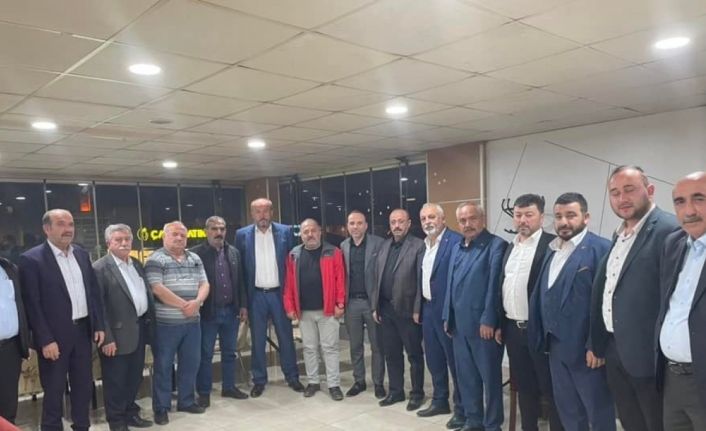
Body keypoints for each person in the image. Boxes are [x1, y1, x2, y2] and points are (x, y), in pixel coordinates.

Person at [589, 166, 678, 431]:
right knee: (630, 421)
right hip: (615, 348)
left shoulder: (669, 230)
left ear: (650, 190)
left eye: (629, 190)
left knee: (655, 423)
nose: (622, 198)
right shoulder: (620, 234)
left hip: (650, 355)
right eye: (615, 193)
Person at [529, 193, 615, 431]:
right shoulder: (552, 250)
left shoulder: (601, 248)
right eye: (558, 216)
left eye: (571, 215)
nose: (563, 222)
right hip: (555, 347)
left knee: (598, 411)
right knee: (568, 410)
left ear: (586, 217)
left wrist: (596, 344)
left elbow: (606, 301)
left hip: (587, 351)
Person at [19, 209, 105, 431]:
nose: (68, 229)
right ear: (47, 229)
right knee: (54, 391)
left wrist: (98, 325)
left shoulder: (81, 255)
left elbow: (92, 293)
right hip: (53, 337)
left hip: (82, 331)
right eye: (61, 224)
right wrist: (45, 339)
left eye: (71, 224)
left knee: (83, 387)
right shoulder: (32, 259)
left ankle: (82, 426)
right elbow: (32, 305)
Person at [497, 194, 562, 431]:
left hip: (540, 330)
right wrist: (500, 324)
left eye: (529, 215)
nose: (522, 220)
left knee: (550, 388)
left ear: (541, 218)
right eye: (518, 215)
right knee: (524, 387)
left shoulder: (553, 245)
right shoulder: (510, 246)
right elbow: (502, 286)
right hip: (513, 329)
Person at [444, 202, 507, 431]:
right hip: (459, 327)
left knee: (490, 380)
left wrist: (489, 319)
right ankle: (474, 420)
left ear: (482, 219)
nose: (467, 224)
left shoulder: (496, 245)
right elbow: (450, 285)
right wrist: (447, 316)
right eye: (462, 220)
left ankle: (492, 424)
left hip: (483, 327)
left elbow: (495, 286)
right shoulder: (457, 247)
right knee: (467, 378)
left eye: (472, 218)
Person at [235, 198, 304, 397]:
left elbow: (292, 264)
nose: (262, 215)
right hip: (256, 295)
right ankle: (259, 380)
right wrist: (243, 303)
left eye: (266, 211)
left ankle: (292, 377)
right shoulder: (242, 235)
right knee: (257, 341)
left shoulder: (285, 231)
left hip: (280, 294)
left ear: (272, 212)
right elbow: (240, 271)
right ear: (252, 214)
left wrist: (293, 297)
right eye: (258, 211)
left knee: (286, 338)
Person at [145, 221, 209, 425]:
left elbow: (205, 284)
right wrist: (185, 305)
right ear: (164, 236)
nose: (179, 238)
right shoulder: (155, 259)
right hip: (166, 324)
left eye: (183, 235)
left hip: (193, 323)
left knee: (190, 363)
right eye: (175, 234)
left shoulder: (195, 258)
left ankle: (186, 401)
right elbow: (157, 288)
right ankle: (161, 408)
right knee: (163, 366)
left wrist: (197, 302)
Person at [656, 171, 706, 430]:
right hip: (672, 377)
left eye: (699, 199)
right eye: (680, 201)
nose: (689, 211)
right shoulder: (674, 243)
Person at [94, 224, 155, 431]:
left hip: (138, 331)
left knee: (134, 378)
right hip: (115, 337)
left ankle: (130, 413)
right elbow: (98, 307)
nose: (124, 243)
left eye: (127, 239)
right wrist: (107, 338)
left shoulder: (136, 264)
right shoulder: (100, 268)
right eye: (118, 240)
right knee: (115, 383)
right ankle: (117, 423)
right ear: (108, 243)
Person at [283, 219, 346, 400]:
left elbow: (340, 280)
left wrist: (340, 303)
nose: (310, 234)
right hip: (304, 312)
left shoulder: (333, 252)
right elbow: (289, 284)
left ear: (320, 232)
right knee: (309, 348)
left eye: (313, 231)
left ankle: (333, 384)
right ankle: (313, 382)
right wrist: (289, 306)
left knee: (330, 348)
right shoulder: (294, 255)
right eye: (305, 232)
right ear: (301, 235)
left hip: (328, 310)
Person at [415, 203, 465, 429]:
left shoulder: (455, 242)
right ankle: (440, 400)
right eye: (424, 218)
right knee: (434, 359)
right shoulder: (425, 245)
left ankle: (462, 409)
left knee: (455, 363)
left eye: (432, 217)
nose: (428, 221)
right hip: (428, 309)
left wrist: (450, 313)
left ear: (443, 219)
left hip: (447, 311)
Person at [191, 216, 249, 408]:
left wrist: (243, 305)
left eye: (222, 229)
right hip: (209, 313)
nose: (219, 233)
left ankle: (229, 387)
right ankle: (204, 392)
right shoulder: (196, 254)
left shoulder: (234, 252)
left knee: (229, 352)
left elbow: (240, 281)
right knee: (205, 355)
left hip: (231, 311)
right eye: (214, 229)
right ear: (206, 231)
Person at [371, 208, 425, 410]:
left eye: (401, 221)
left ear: (409, 224)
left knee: (414, 355)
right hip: (385, 309)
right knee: (391, 354)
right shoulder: (384, 246)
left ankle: (417, 394)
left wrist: (418, 308)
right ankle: (396, 391)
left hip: (408, 310)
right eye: (393, 222)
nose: (397, 225)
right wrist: (375, 306)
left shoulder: (418, 246)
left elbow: (420, 281)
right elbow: (377, 278)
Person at [340, 210, 386, 399]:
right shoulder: (343, 246)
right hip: (351, 303)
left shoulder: (378, 244)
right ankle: (359, 381)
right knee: (355, 346)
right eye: (352, 223)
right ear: (347, 226)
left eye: (359, 223)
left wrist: (379, 303)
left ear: (366, 226)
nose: (355, 227)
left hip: (371, 303)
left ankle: (378, 383)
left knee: (377, 346)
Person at [0, 255, 30, 425]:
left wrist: (26, 341)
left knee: (8, 408)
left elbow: (21, 304)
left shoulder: (8, 269)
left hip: (10, 349)